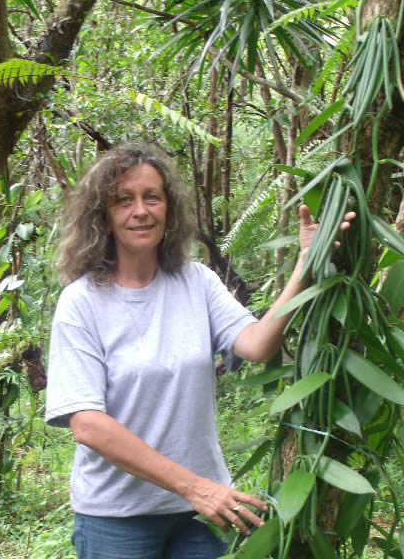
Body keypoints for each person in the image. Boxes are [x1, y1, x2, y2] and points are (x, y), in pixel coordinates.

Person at [45, 141, 354, 559]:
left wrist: (304, 264)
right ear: (102, 214)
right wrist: (195, 486)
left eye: (151, 197)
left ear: (168, 208)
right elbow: (87, 424)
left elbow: (258, 344)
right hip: (118, 518)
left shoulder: (197, 282)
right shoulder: (81, 302)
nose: (140, 211)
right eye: (124, 200)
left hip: (199, 514)